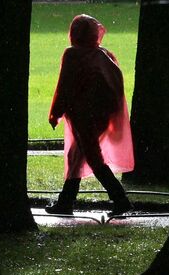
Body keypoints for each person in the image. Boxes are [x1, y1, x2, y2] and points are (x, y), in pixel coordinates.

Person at [45, 13, 134, 215]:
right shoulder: (104, 55)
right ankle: (66, 202)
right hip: (101, 116)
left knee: (92, 157)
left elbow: (64, 85)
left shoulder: (73, 54)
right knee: (77, 154)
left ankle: (120, 199)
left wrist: (56, 112)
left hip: (82, 115)